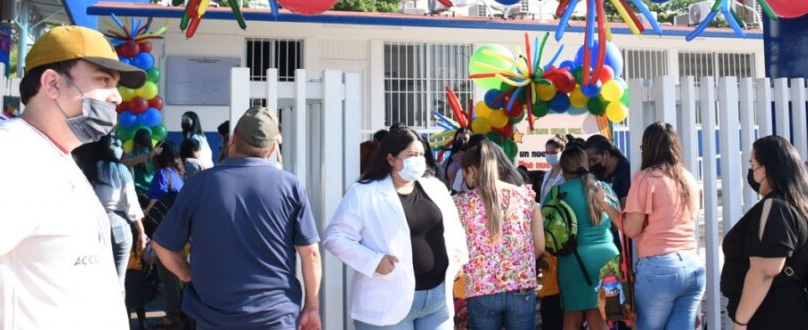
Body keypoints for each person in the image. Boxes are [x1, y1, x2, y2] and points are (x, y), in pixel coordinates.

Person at [0, 25, 144, 328]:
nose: (117, 97)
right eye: (103, 80)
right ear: (52, 83)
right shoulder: (11, 157)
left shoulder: (52, 154)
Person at [152, 107, 323, 330]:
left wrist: (187, 274)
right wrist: (311, 306)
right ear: (271, 148)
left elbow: (162, 245)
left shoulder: (199, 184)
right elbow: (311, 253)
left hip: (213, 316)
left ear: (233, 138)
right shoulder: (290, 186)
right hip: (275, 316)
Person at [324, 125, 468, 329]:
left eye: (420, 154)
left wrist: (457, 255)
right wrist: (375, 261)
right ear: (391, 159)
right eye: (410, 155)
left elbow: (454, 228)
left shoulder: (434, 187)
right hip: (388, 300)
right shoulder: (365, 192)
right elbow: (335, 237)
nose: (418, 160)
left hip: (437, 302)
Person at [721, 135, 808, 330]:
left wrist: (740, 323)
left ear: (766, 168)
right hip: (799, 315)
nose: (751, 171)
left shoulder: (776, 207)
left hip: (773, 317)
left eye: (752, 163)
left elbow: (764, 271)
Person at [454, 140, 544, 330]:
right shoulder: (526, 196)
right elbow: (540, 247)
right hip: (521, 286)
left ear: (472, 170)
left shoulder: (461, 204)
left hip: (480, 289)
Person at [622, 122, 704, 330]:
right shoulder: (688, 178)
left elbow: (631, 230)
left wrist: (606, 205)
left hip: (660, 267)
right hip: (693, 265)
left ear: (648, 148)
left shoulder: (645, 178)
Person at [544, 145, 620, 330]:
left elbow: (544, 226)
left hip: (573, 261)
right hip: (608, 260)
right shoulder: (604, 189)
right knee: (600, 319)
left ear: (563, 169)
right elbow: (620, 219)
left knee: (572, 319)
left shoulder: (556, 193)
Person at [75, 134, 147, 289]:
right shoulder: (120, 169)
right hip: (118, 226)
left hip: (90, 227)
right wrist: (141, 232)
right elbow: (131, 204)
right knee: (118, 279)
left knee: (93, 278)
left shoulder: (85, 169)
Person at [146, 141, 185, 328]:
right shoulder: (178, 175)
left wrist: (141, 217)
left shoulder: (161, 174)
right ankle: (179, 311)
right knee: (178, 274)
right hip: (178, 231)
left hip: (163, 232)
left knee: (166, 274)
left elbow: (154, 203)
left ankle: (172, 316)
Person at [585, 135, 632, 203]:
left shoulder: (625, 170)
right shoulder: (595, 170)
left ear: (606, 154)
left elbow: (624, 205)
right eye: (588, 160)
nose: (591, 164)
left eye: (594, 160)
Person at [123, 127, 162, 196]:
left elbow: (124, 164)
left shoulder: (132, 155)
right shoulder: (155, 155)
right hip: (153, 191)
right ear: (150, 140)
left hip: (137, 191)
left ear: (135, 140)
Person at [539, 137, 566, 202]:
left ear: (562, 152)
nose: (549, 155)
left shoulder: (566, 174)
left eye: (553, 152)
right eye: (547, 153)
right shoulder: (547, 174)